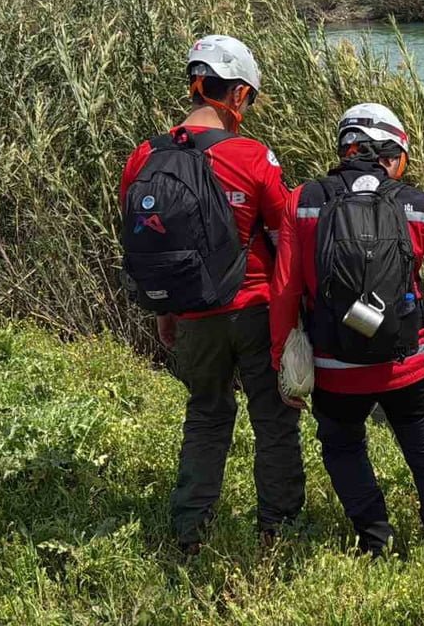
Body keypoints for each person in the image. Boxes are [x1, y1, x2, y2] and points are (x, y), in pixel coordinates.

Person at [269, 102, 424, 560]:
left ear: (346, 149)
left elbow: (285, 291)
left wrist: (281, 365)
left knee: (344, 447)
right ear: (391, 154)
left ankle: (374, 539)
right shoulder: (417, 207)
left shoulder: (302, 202)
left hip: (335, 366)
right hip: (408, 364)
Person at [119, 35, 304, 555]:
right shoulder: (253, 156)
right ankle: (277, 529)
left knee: (205, 414)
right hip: (256, 311)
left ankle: (190, 530)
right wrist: (296, 318)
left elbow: (139, 234)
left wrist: (165, 308)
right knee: (273, 419)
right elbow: (285, 235)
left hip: (192, 312)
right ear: (239, 95)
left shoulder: (145, 155)